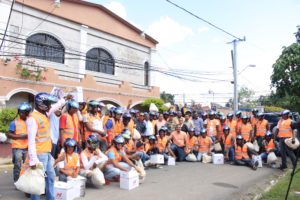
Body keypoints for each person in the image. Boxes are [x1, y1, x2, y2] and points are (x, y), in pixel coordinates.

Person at [26, 92, 68, 200]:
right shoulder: (33, 119)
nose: (50, 106)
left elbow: (55, 106)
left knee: (50, 177)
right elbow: (30, 141)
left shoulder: (44, 114)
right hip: (39, 155)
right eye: (48, 104)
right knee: (37, 182)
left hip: (47, 153)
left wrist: (64, 99)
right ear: (42, 104)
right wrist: (33, 160)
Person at [7, 102, 31, 182]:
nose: (21, 114)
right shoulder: (14, 122)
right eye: (20, 112)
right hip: (17, 147)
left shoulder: (31, 121)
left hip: (28, 147)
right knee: (17, 165)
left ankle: (25, 181)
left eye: (23, 112)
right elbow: (9, 135)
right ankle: (17, 181)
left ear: (27, 113)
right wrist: (22, 136)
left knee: (27, 165)